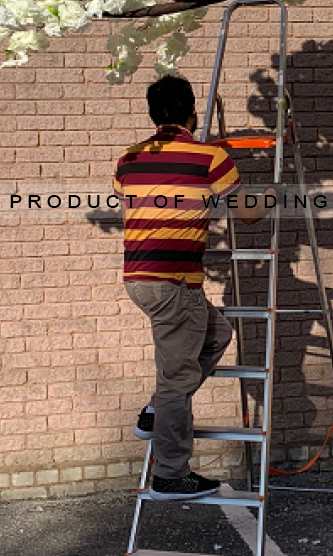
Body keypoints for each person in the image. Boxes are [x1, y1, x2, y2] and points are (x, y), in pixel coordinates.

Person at [113, 75, 268, 500]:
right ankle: (171, 474)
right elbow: (247, 215)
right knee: (177, 380)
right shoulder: (209, 157)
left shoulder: (129, 158)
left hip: (141, 278)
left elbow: (134, 207)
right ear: (192, 113)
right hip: (173, 281)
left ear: (152, 114)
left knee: (218, 333)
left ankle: (155, 411)